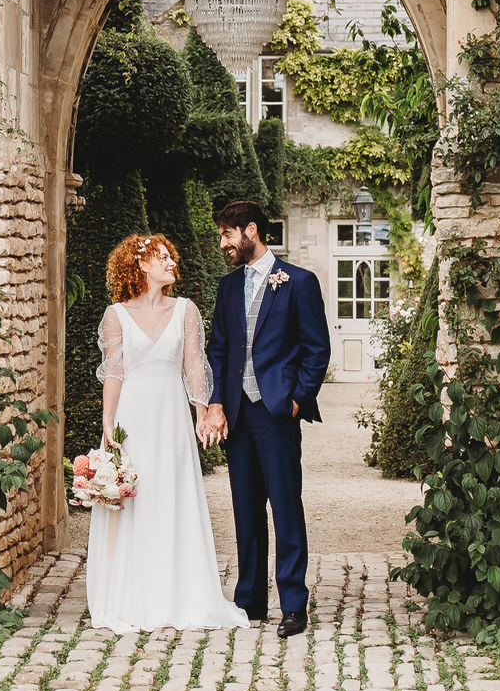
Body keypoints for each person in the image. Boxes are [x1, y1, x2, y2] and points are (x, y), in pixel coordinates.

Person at [85, 232, 249, 633]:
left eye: (171, 257)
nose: (171, 264)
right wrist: (108, 423)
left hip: (172, 416)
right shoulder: (116, 315)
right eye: (162, 258)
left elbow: (194, 365)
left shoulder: (186, 310)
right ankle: (133, 597)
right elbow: (115, 372)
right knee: (137, 500)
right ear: (141, 265)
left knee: (172, 497)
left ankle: (181, 594)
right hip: (133, 416)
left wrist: (201, 414)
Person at [199, 199, 330, 636]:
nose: (223, 244)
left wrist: (297, 399)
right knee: (245, 508)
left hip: (276, 412)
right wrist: (216, 402)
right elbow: (218, 348)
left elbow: (317, 350)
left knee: (286, 506)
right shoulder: (228, 287)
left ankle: (293, 602)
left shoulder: (298, 282)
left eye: (227, 234)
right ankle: (249, 600)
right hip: (237, 413)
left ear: (250, 230)